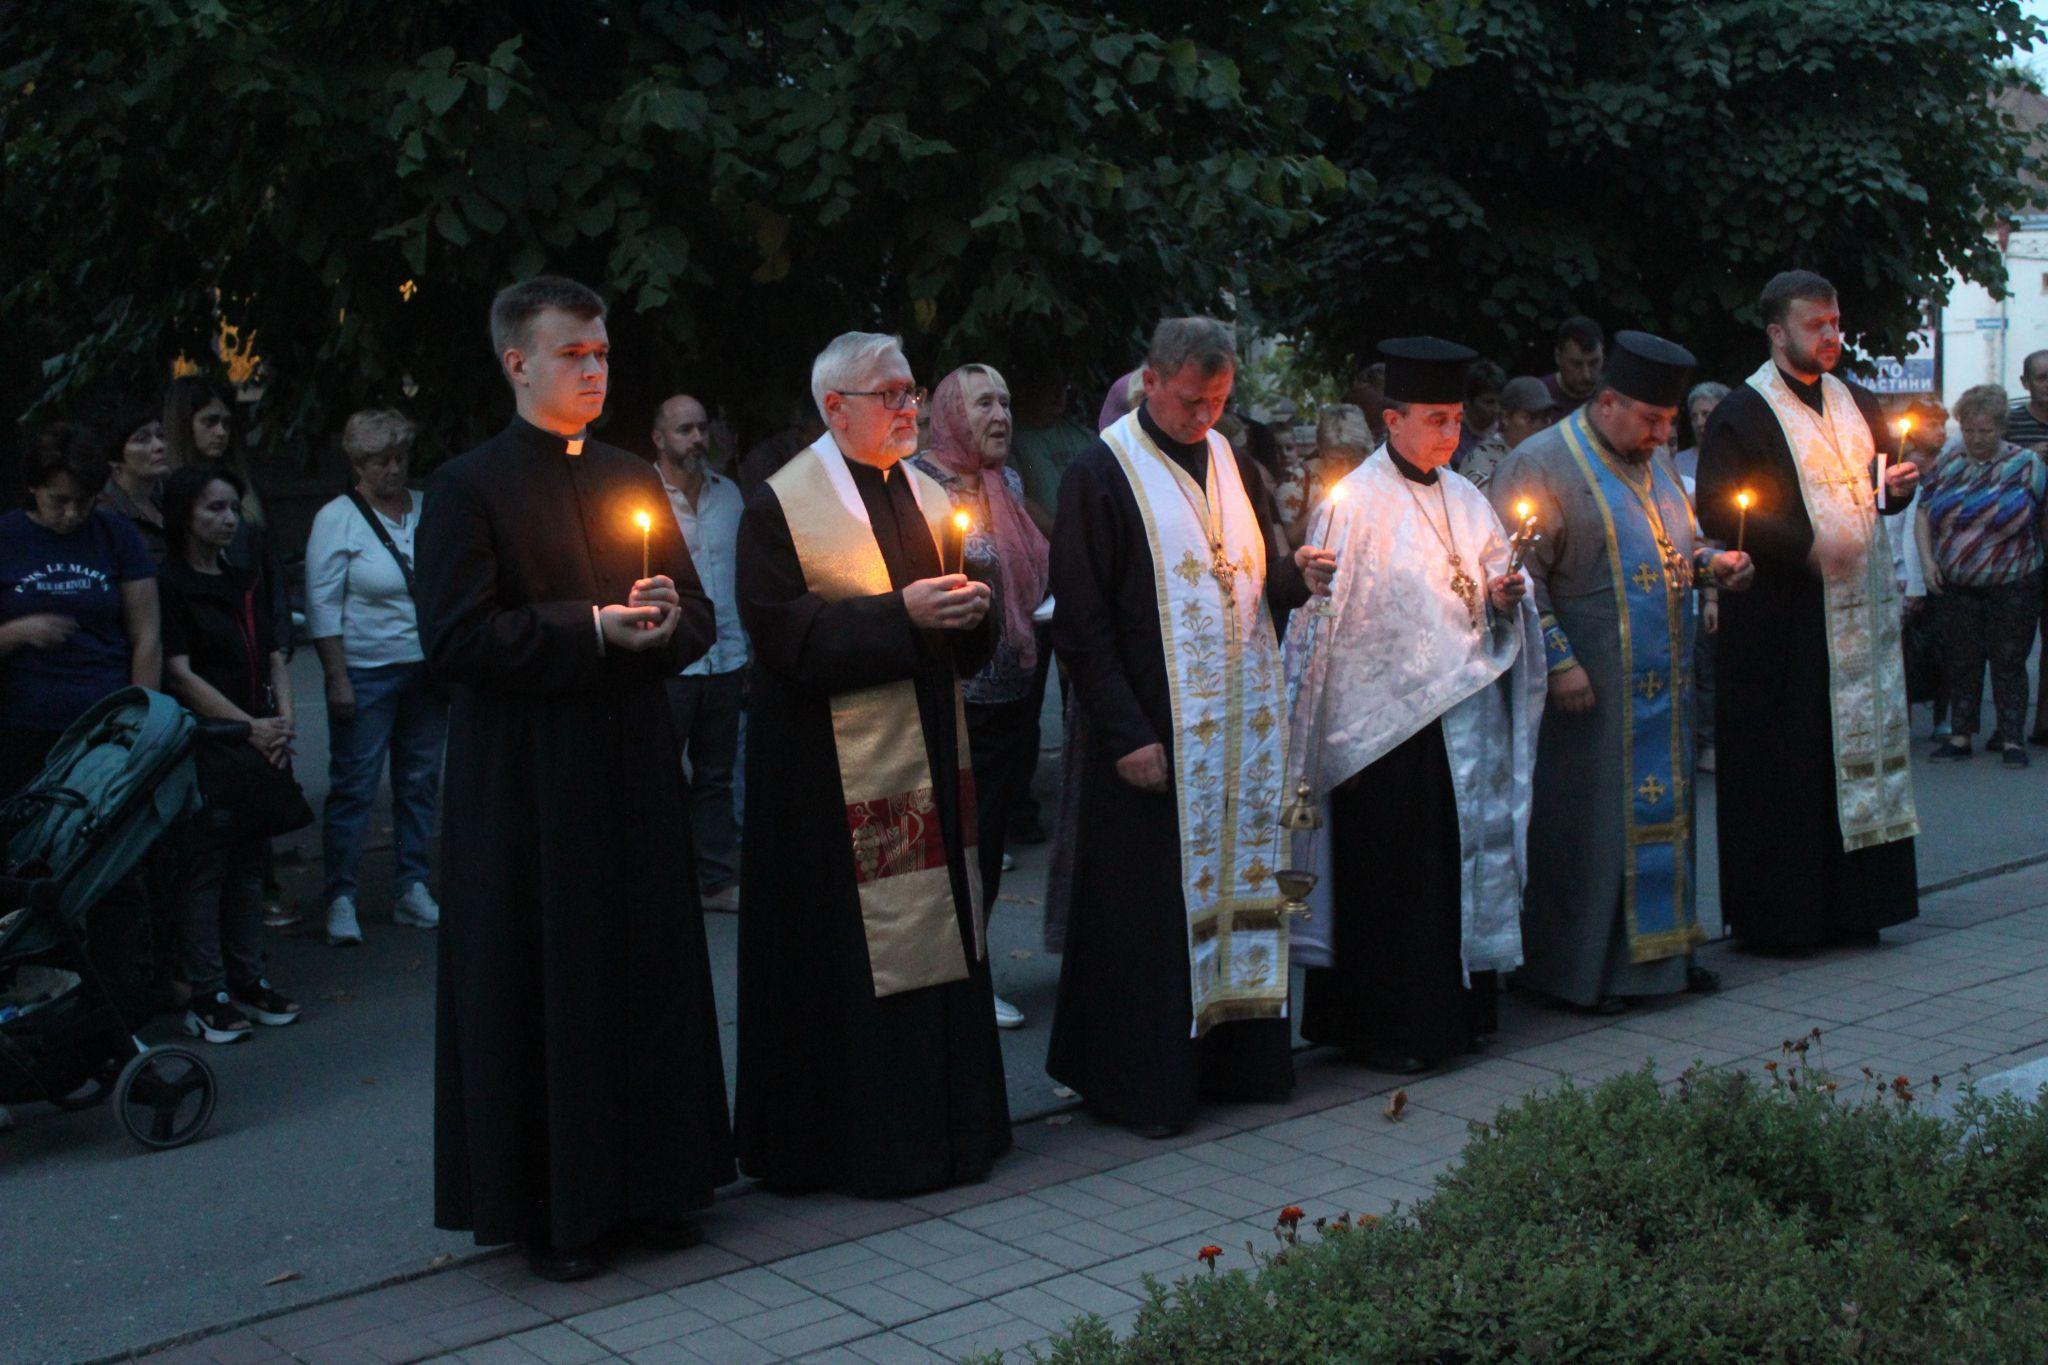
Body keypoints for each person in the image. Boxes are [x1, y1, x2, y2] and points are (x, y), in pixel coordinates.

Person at [417, 277, 732, 1280]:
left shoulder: (622, 473)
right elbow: (458, 638)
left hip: (633, 771)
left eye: (602, 354)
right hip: (528, 788)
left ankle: (660, 1186)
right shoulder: (468, 487)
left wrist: (660, 619)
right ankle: (564, 1212)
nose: (595, 370)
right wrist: (590, 627)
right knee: (552, 984)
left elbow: (699, 618)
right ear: (518, 362)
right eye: (573, 355)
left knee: (643, 974)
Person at [733, 332, 1010, 1196]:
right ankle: (866, 1144)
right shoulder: (779, 507)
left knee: (942, 933)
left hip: (928, 742)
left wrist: (974, 613)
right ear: (834, 408)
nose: (910, 408)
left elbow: (956, 628)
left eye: (911, 391)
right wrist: (903, 615)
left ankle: (952, 1130)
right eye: (890, 394)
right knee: (856, 957)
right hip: (826, 779)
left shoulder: (923, 492)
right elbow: (782, 634)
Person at [1046, 317, 1333, 1137]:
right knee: (1146, 914)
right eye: (1189, 400)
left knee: (1239, 892)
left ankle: (1235, 1062)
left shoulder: (1231, 459)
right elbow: (1083, 622)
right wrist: (1126, 731)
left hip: (1237, 739)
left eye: (1217, 401)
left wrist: (1294, 577)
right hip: (1152, 735)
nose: (1203, 416)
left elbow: (1245, 579)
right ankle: (1142, 1080)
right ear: (1151, 378)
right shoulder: (1101, 473)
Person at [1284, 338, 1543, 1072]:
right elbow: (1323, 629)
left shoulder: (1467, 497)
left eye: (1458, 418)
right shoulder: (1353, 503)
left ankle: (1460, 1015)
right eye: (1436, 419)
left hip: (1462, 724)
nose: (1451, 435)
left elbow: (1493, 599)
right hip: (1385, 737)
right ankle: (1388, 1031)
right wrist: (1337, 732)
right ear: (1392, 420)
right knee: (1396, 884)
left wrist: (1504, 599)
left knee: (1455, 875)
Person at [1492, 332, 1755, 1010]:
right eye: (1652, 420)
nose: (1663, 435)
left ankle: (1666, 959)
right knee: (1589, 829)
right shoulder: (1540, 462)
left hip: (1663, 682)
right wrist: (1559, 661)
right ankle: (1580, 971)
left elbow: (1680, 545)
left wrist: (1713, 564)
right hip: (1588, 686)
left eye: (1669, 423)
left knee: (1670, 820)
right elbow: (1519, 574)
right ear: (1607, 401)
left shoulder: (1657, 459)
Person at [1697, 270, 1922, 953]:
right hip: (1782, 623)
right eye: (1815, 325)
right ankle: (1784, 920)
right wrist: (1804, 545)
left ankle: (1858, 906)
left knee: (1849, 756)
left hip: (1860, 617)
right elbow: (1717, 506)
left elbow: (1881, 490)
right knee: (1789, 764)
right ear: (1777, 332)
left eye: (1834, 323)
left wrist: (1898, 492)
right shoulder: (1743, 411)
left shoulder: (1856, 399)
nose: (1831, 336)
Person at [911, 363, 1050, 1031]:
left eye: (1006, 400)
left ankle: (977, 961)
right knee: (954, 839)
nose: (1001, 415)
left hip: (1017, 684)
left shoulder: (1008, 482)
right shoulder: (920, 485)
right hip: (956, 692)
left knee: (989, 836)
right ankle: (956, 975)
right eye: (983, 403)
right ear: (951, 414)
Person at [158, 465, 301, 1043]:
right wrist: (249, 727)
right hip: (209, 740)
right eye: (214, 508)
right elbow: (180, 672)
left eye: (232, 508)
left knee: (248, 862)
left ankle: (248, 978)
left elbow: (272, 650)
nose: (227, 519)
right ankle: (206, 989)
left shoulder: (242, 576)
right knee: (206, 865)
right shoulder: (167, 581)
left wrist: (282, 721)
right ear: (185, 515)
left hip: (256, 733)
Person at [304, 409, 447, 946]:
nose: (392, 468)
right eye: (379, 460)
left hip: (426, 669)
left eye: (400, 457)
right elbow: (321, 604)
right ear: (357, 464)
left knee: (419, 780)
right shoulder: (337, 518)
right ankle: (340, 896)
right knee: (355, 787)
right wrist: (336, 677)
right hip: (365, 669)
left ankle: (412, 885)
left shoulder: (427, 508)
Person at [0, 423, 162, 796]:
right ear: (33, 488)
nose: (72, 514)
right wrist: (19, 631)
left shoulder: (115, 534)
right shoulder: (8, 538)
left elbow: (147, 635)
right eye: (59, 500)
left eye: (84, 501)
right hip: (24, 722)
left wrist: (140, 717)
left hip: (104, 717)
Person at [1916, 385, 2047, 768]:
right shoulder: (1947, 463)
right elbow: (1923, 513)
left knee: (2009, 660)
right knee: (1962, 659)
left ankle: (2011, 740)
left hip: (2015, 578)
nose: (1976, 438)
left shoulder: (2026, 465)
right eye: (1970, 429)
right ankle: (1960, 736)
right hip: (1957, 581)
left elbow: (2040, 512)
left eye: (1985, 431)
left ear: (2001, 428)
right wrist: (1927, 563)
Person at [653, 393, 749, 912]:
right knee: (659, 775)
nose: (696, 439)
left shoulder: (729, 495)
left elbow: (741, 579)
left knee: (715, 775)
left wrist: (748, 649)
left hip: (727, 658)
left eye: (701, 428)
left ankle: (714, 881)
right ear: (659, 438)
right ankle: (659, 879)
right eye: (683, 430)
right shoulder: (642, 496)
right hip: (671, 659)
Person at [1673, 381, 1731, 772]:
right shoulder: (1679, 464)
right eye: (1694, 415)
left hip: (1735, 568)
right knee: (1698, 664)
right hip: (1699, 575)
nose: (1699, 422)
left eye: (1707, 414)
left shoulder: (1733, 456)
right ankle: (1697, 741)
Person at [1284, 404, 1373, 548]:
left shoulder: (1370, 477)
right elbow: (1288, 539)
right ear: (1322, 450)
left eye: (1353, 460)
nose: (1345, 469)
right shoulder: (1297, 482)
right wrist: (1320, 506)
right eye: (1336, 460)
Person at [96, 403, 170, 562]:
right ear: (115, 459)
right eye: (141, 439)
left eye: (161, 435)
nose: (159, 446)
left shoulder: (169, 498)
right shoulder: (103, 513)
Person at [1460, 376, 1561, 490]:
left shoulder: (1554, 459)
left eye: (1545, 418)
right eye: (1530, 418)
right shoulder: (1480, 459)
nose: (1539, 425)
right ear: (1506, 417)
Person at [1542, 316, 1605, 414]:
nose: (1586, 375)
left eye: (1594, 363)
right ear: (1558, 356)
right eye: (1576, 364)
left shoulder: (1617, 400)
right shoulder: (1538, 397)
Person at [1451, 360, 1507, 470]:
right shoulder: (1451, 435)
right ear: (1467, 401)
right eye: (1488, 402)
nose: (1496, 409)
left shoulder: (1507, 431)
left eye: (1500, 402)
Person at [2005, 350, 2048, 451]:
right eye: (2041, 379)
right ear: (2025, 382)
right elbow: (1992, 464)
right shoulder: (2008, 423)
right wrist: (2027, 456)